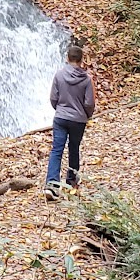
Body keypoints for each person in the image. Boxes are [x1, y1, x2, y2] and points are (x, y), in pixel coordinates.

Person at [44, 42, 95, 200]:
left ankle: (52, 186)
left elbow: (53, 98)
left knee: (56, 150)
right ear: (82, 60)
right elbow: (89, 103)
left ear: (67, 58)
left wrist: (60, 109)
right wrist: (86, 115)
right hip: (78, 120)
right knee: (74, 149)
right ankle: (71, 182)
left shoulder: (59, 75)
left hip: (60, 118)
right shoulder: (86, 80)